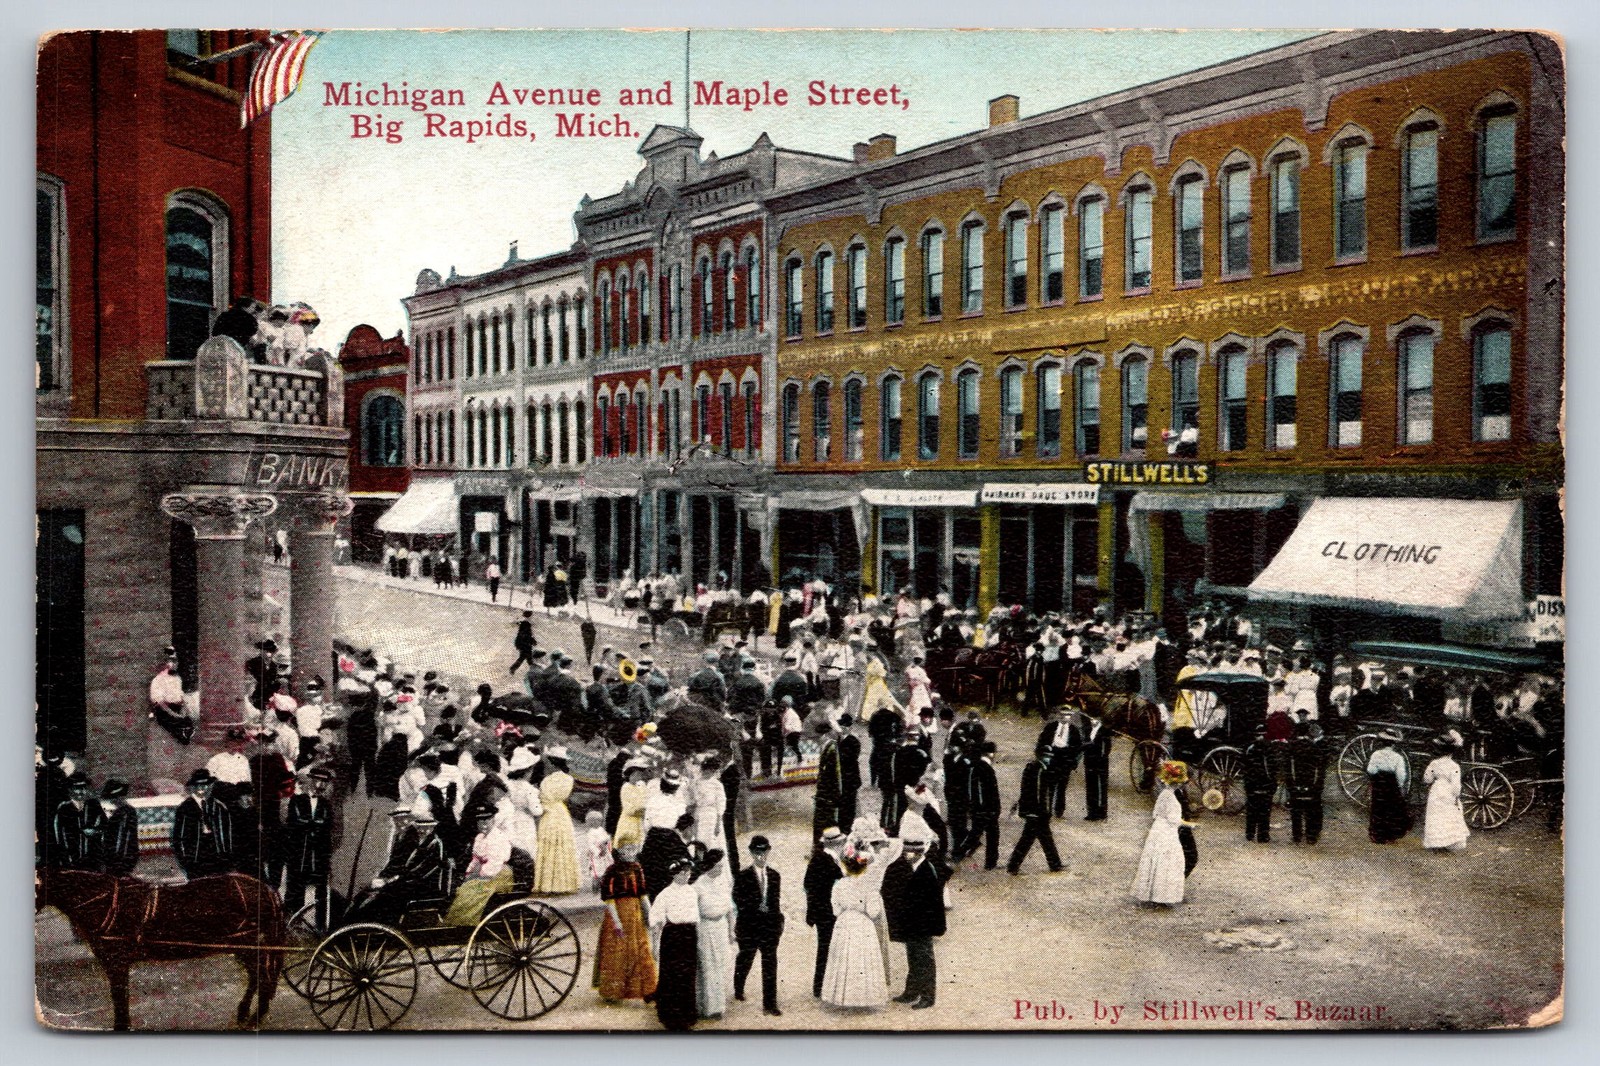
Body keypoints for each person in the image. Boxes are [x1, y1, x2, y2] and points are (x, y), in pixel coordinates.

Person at [821, 842, 889, 1009]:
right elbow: (873, 912)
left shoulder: (839, 885)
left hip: (844, 922)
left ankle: (842, 996)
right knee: (863, 959)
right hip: (863, 922)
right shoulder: (869, 886)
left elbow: (835, 909)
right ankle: (863, 997)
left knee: (844, 957)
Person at [882, 837, 945, 1009]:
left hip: (923, 925)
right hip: (911, 923)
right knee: (913, 958)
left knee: (924, 960)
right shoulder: (909, 867)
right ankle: (911, 992)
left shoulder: (927, 870)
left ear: (919, 853)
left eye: (908, 853)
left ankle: (927, 996)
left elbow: (933, 904)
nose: (905, 855)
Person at [594, 843, 658, 1004]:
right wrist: (617, 922)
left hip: (634, 915)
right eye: (627, 849)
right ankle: (614, 991)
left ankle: (648, 989)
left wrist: (651, 914)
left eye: (633, 849)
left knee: (641, 950)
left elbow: (642, 894)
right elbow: (609, 899)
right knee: (618, 953)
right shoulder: (612, 871)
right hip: (618, 914)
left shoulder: (637, 868)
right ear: (620, 852)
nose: (631, 852)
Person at [732, 835, 784, 1016]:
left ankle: (770, 1003)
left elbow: (776, 903)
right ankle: (738, 987)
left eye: (763, 852)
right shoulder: (742, 876)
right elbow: (738, 900)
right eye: (756, 852)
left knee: (770, 964)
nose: (760, 856)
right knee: (746, 958)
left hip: (769, 928)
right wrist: (756, 906)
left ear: (768, 851)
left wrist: (778, 925)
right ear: (751, 853)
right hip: (749, 926)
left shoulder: (774, 876)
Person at [649, 857, 702, 1031]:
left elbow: (695, 919)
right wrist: (655, 944)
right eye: (682, 872)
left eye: (688, 872)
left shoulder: (692, 892)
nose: (686, 875)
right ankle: (670, 1015)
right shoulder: (665, 894)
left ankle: (687, 1014)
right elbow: (656, 921)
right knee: (672, 974)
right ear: (674, 874)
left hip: (689, 935)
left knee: (688, 974)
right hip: (672, 936)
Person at [445, 801, 515, 925]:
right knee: (464, 885)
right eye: (480, 820)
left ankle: (465, 923)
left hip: (498, 874)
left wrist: (476, 875)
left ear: (493, 820)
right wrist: (469, 873)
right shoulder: (479, 838)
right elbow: (475, 859)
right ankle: (456, 921)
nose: (483, 824)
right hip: (485, 872)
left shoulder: (498, 838)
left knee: (471, 889)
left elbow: (495, 864)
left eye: (487, 820)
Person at [1132, 761, 1192, 906]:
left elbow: (1156, 814)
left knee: (1158, 860)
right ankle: (1161, 896)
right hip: (1167, 832)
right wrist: (1190, 824)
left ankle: (1154, 893)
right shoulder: (1171, 797)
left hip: (1158, 830)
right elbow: (1174, 820)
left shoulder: (1164, 794)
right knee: (1167, 861)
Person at [804, 827, 847, 998]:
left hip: (823, 912)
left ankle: (822, 985)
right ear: (838, 844)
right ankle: (821, 987)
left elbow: (807, 884)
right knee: (827, 948)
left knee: (826, 948)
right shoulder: (827, 861)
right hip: (827, 913)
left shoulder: (822, 858)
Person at [1007, 749, 1063, 874]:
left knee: (1043, 838)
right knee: (1030, 839)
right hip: (1037, 812)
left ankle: (1055, 863)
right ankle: (1013, 865)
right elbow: (1040, 794)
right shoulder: (1039, 770)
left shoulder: (1032, 768)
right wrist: (1044, 811)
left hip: (1033, 811)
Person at [533, 746, 580, 893]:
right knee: (562, 845)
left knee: (549, 845)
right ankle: (564, 883)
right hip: (561, 812)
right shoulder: (569, 779)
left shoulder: (547, 780)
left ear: (552, 762)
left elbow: (544, 797)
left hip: (549, 812)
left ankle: (549, 884)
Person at [695, 848, 735, 1020]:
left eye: (722, 866)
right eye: (718, 866)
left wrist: (732, 929)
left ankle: (719, 1005)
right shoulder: (697, 886)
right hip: (705, 928)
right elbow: (694, 912)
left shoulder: (723, 882)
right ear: (709, 866)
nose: (720, 869)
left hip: (721, 927)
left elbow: (730, 909)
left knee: (720, 965)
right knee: (708, 967)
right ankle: (708, 1007)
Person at [171, 769, 233, 880]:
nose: (202, 789)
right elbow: (178, 839)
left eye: (205, 785)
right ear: (192, 787)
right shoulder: (185, 808)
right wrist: (186, 861)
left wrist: (227, 857)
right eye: (198, 785)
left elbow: (228, 835)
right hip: (196, 859)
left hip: (218, 859)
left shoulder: (219, 807)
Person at [954, 741, 1001, 869]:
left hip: (978, 808)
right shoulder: (986, 768)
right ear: (991, 754)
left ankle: (961, 854)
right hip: (986, 809)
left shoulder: (974, 767)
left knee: (977, 833)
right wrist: (993, 809)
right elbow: (991, 792)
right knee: (990, 835)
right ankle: (989, 863)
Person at [1422, 733, 1471, 853]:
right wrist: (1456, 796)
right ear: (1452, 751)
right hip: (1448, 791)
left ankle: (1436, 843)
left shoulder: (1434, 763)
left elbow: (1427, 779)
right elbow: (1456, 786)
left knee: (1435, 816)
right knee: (1447, 816)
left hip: (1436, 790)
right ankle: (1446, 842)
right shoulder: (1454, 766)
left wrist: (1435, 779)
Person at [51, 772, 106, 871]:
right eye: (77, 788)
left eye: (84, 788)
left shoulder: (93, 805)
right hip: (71, 859)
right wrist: (66, 858)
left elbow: (104, 825)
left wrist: (95, 832)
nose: (81, 792)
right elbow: (59, 835)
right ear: (70, 789)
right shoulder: (64, 808)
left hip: (93, 860)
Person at [1366, 729, 1413, 844]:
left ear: (1382, 742)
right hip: (1391, 785)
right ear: (1394, 743)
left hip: (1378, 784)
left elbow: (1370, 770)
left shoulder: (1376, 754)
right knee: (1391, 809)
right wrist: (1400, 786)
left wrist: (1376, 777)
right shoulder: (1398, 757)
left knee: (1378, 808)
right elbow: (1401, 775)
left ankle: (1377, 835)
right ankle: (1390, 835)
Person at [1036, 708, 1083, 818]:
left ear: (1070, 717)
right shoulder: (1050, 727)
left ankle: (1059, 810)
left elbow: (1078, 748)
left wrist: (1073, 762)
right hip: (1053, 757)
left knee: (1062, 786)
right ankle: (1048, 809)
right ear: (1058, 715)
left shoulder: (1074, 731)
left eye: (1067, 715)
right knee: (1050, 785)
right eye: (1062, 715)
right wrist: (1041, 756)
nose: (1064, 717)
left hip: (1065, 758)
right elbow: (1041, 741)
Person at [1286, 726, 1327, 845]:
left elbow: (1288, 769)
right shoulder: (1315, 747)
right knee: (1311, 812)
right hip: (1311, 786)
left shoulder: (1292, 748)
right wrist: (1317, 786)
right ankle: (1311, 836)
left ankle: (1297, 836)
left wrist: (1291, 786)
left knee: (1296, 813)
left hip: (1296, 785)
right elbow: (1319, 769)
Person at [98, 780, 140, 877]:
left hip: (120, 858)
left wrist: (117, 859)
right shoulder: (124, 811)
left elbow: (122, 839)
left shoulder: (124, 812)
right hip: (121, 857)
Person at [1242, 727, 1276, 844]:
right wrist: (1272, 785)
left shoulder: (1250, 750)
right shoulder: (1269, 750)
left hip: (1253, 786)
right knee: (1264, 812)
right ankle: (1263, 835)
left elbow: (1246, 770)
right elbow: (1272, 770)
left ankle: (1250, 834)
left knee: (1252, 811)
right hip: (1264, 786)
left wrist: (1247, 786)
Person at [1081, 708, 1114, 821]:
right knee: (1090, 787)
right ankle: (1091, 812)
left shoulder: (1104, 731)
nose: (1093, 721)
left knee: (1100, 788)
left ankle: (1102, 812)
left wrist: (1100, 758)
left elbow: (1106, 749)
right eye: (1091, 718)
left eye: (1095, 719)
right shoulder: (1087, 729)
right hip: (1089, 762)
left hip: (1100, 763)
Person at [613, 761, 650, 850]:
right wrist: (640, 810)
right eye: (635, 774)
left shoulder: (642, 785)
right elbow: (628, 809)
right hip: (629, 821)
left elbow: (647, 799)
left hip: (640, 821)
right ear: (629, 775)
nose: (638, 777)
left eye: (639, 774)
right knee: (627, 846)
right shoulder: (626, 787)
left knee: (640, 845)